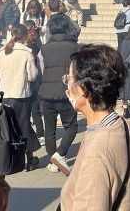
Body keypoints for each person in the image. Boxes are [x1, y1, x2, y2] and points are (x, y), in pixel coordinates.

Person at [59, 44, 130, 210]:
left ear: (83, 88)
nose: (67, 85)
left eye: (69, 79)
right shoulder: (122, 125)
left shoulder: (97, 152)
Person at [0, 23, 41, 171]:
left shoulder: (3, 52)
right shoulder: (26, 53)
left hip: (4, 95)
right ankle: (30, 159)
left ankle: (6, 159)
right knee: (24, 127)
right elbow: (33, 76)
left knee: (6, 128)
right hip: (20, 95)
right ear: (24, 36)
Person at [39, 14, 80, 175]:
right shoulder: (74, 47)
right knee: (71, 126)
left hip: (46, 91)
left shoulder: (44, 48)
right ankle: (60, 153)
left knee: (49, 130)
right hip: (66, 92)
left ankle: (52, 159)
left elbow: (40, 70)